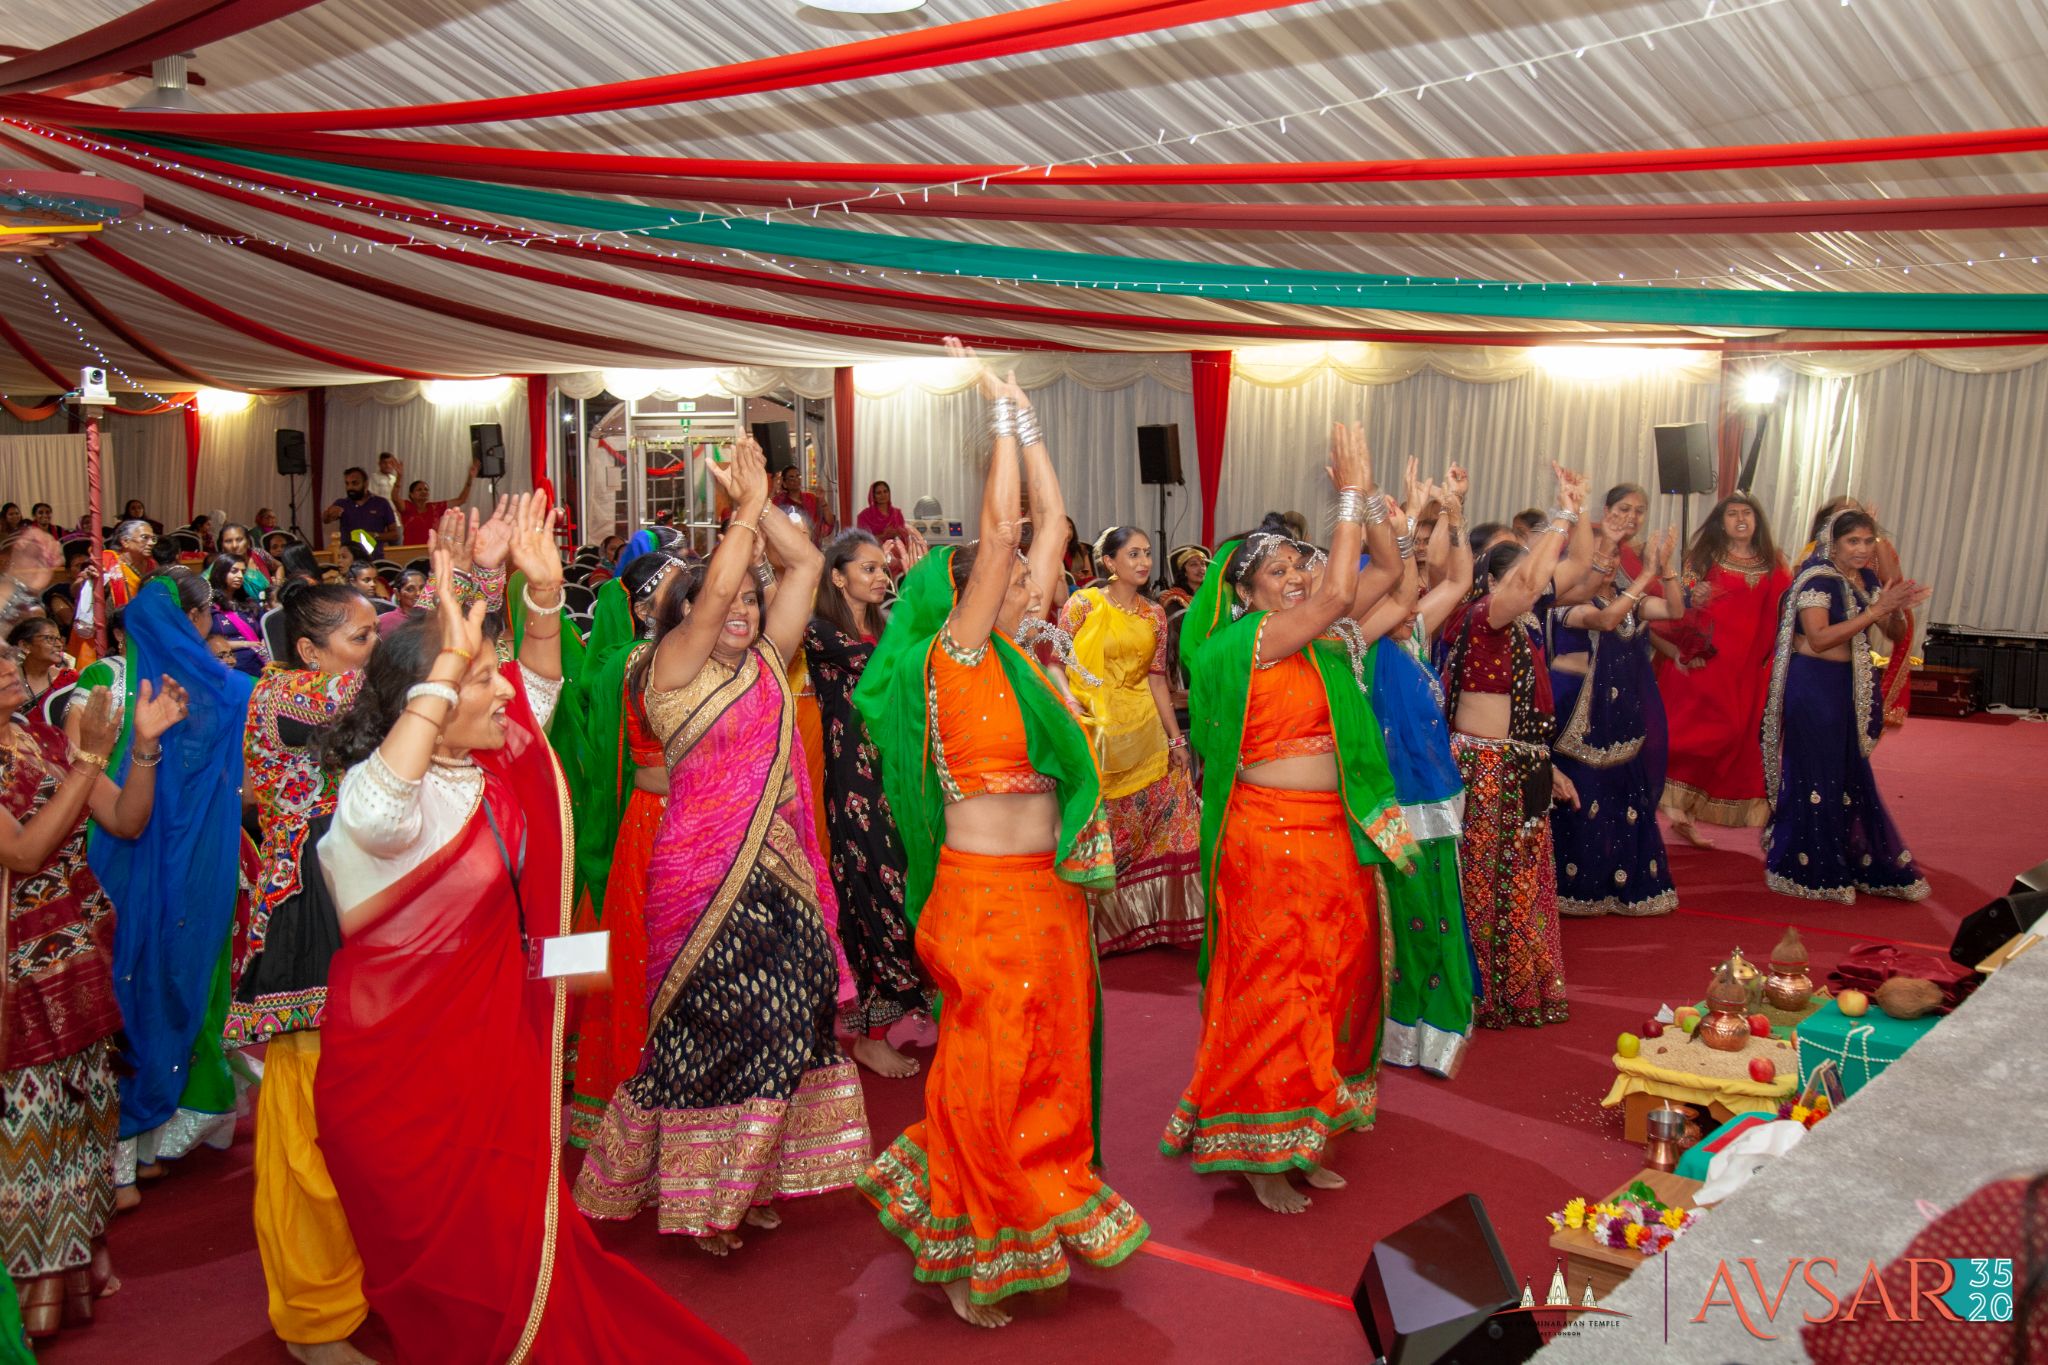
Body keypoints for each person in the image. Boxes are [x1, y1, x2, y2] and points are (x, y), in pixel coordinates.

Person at [312, 499, 742, 1363]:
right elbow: (381, 811)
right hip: (401, 1090)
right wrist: (448, 658)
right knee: (455, 1289)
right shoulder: (375, 800)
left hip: (490, 1062)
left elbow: (536, 693)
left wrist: (541, 595)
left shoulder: (483, 770)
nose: (502, 690)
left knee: (519, 1265)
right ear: (427, 700)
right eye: (479, 681)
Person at [854, 343, 1142, 1327]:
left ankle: (1018, 1212)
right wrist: (996, 423)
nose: (1030, 580)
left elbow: (1049, 524)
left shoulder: (1022, 658)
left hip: (1047, 895)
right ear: (968, 596)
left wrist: (1028, 415)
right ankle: (967, 1236)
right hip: (980, 902)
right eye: (1012, 577)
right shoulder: (960, 656)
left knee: (1048, 1062)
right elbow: (1004, 528)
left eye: (1026, 578)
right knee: (987, 1068)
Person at [574, 436, 870, 1255]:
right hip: (700, 885)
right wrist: (741, 512)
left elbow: (805, 564)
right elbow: (707, 605)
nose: (741, 611)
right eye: (727, 600)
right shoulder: (664, 669)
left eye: (751, 600)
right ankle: (701, 1196)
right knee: (713, 1033)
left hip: (782, 874)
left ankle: (745, 1178)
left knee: (788, 1023)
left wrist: (762, 505)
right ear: (683, 614)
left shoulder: (770, 662)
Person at [1162, 424, 1413, 1216]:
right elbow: (1339, 593)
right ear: (1244, 592)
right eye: (1280, 570)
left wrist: (1374, 502)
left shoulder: (1320, 644)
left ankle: (1304, 1130)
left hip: (1333, 835)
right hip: (1267, 840)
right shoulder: (1252, 641)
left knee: (1333, 981)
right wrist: (1347, 494)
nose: (1299, 577)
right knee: (1274, 987)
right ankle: (1257, 1146)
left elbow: (1391, 576)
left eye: (1300, 564)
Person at [0, 663, 183, 1341]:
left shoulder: (41, 738)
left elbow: (126, 819)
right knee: (29, 1128)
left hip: (79, 953)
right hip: (19, 969)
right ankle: (23, 1298)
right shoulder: (65, 749)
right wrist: (88, 759)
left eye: (7, 654)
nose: (8, 665)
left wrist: (143, 746)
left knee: (82, 1118)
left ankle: (69, 1277)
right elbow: (24, 852)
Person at [231, 580, 381, 1365]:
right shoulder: (289, 695)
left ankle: (360, 1277)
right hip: (304, 911)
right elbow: (395, 694)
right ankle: (310, 1318)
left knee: (363, 1113)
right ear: (309, 650)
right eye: (361, 636)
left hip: (348, 895)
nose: (373, 649)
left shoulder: (327, 688)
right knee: (307, 1123)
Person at [87, 576, 254, 1204]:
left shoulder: (106, 682)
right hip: (183, 854)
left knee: (135, 977)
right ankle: (141, 1143)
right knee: (171, 975)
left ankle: (132, 1148)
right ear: (195, 616)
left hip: (129, 851)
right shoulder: (217, 684)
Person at [1440, 465, 1586, 1030]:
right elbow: (1527, 585)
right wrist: (1561, 518)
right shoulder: (1485, 618)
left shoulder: (1521, 628)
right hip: (1486, 769)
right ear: (1495, 583)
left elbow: (1570, 569)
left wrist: (1549, 769)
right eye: (1524, 573)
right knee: (1488, 885)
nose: (1536, 584)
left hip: (1518, 766)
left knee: (1520, 882)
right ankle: (1485, 992)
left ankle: (1513, 988)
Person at [562, 548, 693, 1147]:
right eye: (674, 586)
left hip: (703, 817)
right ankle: (646, 1101)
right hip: (656, 821)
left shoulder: (697, 652)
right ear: (642, 610)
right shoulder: (638, 661)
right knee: (652, 957)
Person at [1357, 463, 1477, 1079]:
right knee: (1405, 922)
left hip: (1435, 797)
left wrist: (1451, 510)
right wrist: (1401, 524)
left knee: (1437, 911)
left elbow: (1459, 577)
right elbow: (1406, 585)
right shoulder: (1359, 644)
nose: (1415, 590)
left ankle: (1435, 1030)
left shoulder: (1415, 633)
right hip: (1391, 803)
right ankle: (1400, 1032)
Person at [803, 530, 931, 1079]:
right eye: (869, 569)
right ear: (837, 576)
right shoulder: (820, 631)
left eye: (885, 569)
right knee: (876, 894)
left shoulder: (880, 627)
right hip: (857, 785)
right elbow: (888, 667)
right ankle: (871, 1036)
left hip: (897, 774)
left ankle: (910, 1006)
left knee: (912, 884)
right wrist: (920, 594)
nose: (882, 578)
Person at [1760, 510, 1931, 902]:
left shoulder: (1866, 579)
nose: (1862, 549)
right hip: (1813, 687)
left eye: (1868, 541)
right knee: (1816, 774)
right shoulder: (1817, 579)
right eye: (1853, 541)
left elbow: (1894, 632)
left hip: (1847, 688)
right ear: (1832, 544)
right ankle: (1806, 868)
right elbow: (1819, 638)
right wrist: (1875, 611)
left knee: (1847, 772)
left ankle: (1846, 860)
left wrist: (1894, 605)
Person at [1060, 526, 1202, 954]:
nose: (1144, 562)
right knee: (1104, 830)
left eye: (1147, 554)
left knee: (1169, 817)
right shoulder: (1083, 604)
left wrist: (1176, 740)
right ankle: (1094, 927)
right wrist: (1070, 708)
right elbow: (1056, 661)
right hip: (1096, 732)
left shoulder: (1154, 614)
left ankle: (1145, 920)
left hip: (1144, 731)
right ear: (1109, 561)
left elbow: (1157, 678)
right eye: (1133, 554)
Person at [1547, 506, 1685, 919]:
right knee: (1583, 795)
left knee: (1623, 795)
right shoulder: (1562, 605)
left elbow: (1675, 611)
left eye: (1610, 557)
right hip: (1576, 713)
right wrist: (1645, 577)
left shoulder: (1626, 597)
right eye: (1597, 558)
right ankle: (1578, 886)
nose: (1605, 565)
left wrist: (1666, 570)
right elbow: (1606, 621)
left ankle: (1620, 884)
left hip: (1621, 716)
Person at [1655, 493, 1790, 845]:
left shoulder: (1773, 563)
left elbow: (1782, 613)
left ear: (1757, 520)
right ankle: (1658, 787)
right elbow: (1678, 600)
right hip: (1706, 661)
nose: (1741, 519)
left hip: (1746, 669)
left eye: (1747, 513)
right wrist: (1693, 596)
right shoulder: (1704, 558)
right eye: (1732, 514)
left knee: (1734, 740)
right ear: (1720, 521)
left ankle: (1686, 812)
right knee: (1698, 734)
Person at [396, 459, 479, 545]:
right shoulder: (407, 507)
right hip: (411, 551)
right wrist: (399, 477)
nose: (423, 492)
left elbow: (461, 500)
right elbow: (395, 498)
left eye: (426, 489)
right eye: (419, 490)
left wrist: (470, 478)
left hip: (432, 550)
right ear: (411, 494)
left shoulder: (435, 507)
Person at [208, 554, 268, 676]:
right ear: (220, 573)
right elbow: (208, 643)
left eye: (243, 572)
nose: (240, 576)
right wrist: (245, 644)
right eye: (234, 571)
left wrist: (264, 642)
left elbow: (265, 631)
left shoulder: (250, 603)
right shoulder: (209, 608)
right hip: (232, 668)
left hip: (260, 663)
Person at [9, 617, 75, 718]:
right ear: (25, 645)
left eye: (59, 639)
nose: (59, 645)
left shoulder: (67, 680)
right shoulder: (7, 678)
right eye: (50, 638)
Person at [323, 467, 397, 555]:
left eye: (355, 483)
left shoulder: (381, 503)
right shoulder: (342, 503)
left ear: (365, 484)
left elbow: (394, 535)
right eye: (347, 483)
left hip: (374, 557)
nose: (350, 487)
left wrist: (374, 535)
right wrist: (329, 513)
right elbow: (325, 520)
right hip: (349, 558)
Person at [771, 465, 834, 543]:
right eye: (791, 477)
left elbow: (830, 522)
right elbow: (766, 513)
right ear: (784, 484)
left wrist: (822, 500)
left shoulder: (811, 498)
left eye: (798, 476)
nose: (796, 479)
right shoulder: (780, 501)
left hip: (812, 544)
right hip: (789, 543)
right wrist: (773, 490)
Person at [855, 480, 909, 548]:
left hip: (897, 551)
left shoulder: (897, 513)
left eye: (885, 491)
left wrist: (896, 534)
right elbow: (862, 540)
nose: (883, 495)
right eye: (878, 493)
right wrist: (883, 535)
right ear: (873, 496)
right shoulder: (864, 516)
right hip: (875, 551)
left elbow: (905, 537)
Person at [1158, 544, 1209, 612]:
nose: (1201, 569)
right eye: (1194, 564)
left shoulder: (1213, 593)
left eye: (1203, 564)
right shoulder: (1175, 597)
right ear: (1184, 572)